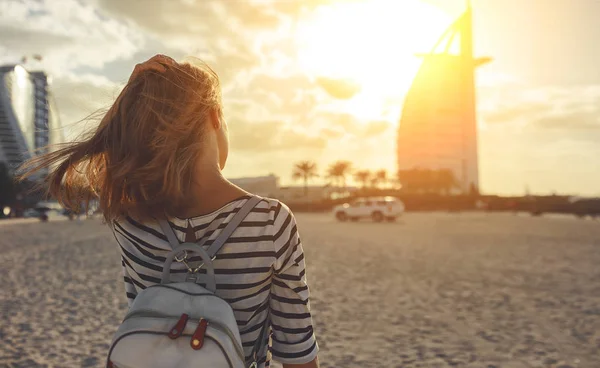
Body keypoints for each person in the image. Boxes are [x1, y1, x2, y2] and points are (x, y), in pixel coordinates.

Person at [18, 54, 319, 368]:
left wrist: (130, 97)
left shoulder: (129, 218)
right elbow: (297, 349)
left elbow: (109, 166)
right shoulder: (269, 221)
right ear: (215, 117)